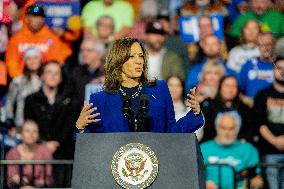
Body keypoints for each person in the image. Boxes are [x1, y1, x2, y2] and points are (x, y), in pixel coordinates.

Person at [75, 37, 204, 134]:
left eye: (141, 56)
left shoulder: (159, 90)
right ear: (118, 61)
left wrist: (195, 114)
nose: (139, 61)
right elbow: (92, 144)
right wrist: (80, 128)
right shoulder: (100, 100)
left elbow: (171, 132)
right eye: (132, 56)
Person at [5, 4, 72, 78]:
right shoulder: (16, 39)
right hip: (22, 80)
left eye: (40, 17)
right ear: (27, 18)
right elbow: (11, 63)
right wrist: (22, 79)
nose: (37, 20)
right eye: (34, 17)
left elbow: (57, 60)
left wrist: (45, 78)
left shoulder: (52, 37)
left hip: (46, 80)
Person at [201, 112, 263, 189]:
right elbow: (194, 176)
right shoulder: (203, 149)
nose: (227, 132)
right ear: (217, 128)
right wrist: (203, 183)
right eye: (223, 128)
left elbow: (257, 179)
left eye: (231, 129)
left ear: (237, 129)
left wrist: (253, 184)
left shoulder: (249, 149)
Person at [253, 56, 284, 189]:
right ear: (273, 70)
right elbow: (259, 123)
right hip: (269, 151)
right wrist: (275, 141)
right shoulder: (262, 95)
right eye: (279, 68)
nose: (282, 71)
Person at [201, 76, 253, 143]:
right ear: (220, 87)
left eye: (234, 86)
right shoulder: (209, 106)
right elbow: (205, 131)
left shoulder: (244, 108)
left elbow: (249, 131)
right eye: (227, 85)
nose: (230, 89)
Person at [6, 120, 53, 188]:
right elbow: (11, 177)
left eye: (35, 131)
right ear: (21, 134)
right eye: (27, 131)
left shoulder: (45, 152)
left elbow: (48, 178)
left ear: (38, 135)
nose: (31, 134)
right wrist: (20, 181)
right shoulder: (12, 153)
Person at [6, 47, 42, 127]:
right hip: (21, 124)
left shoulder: (46, 81)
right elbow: (9, 103)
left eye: (36, 58)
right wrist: (10, 123)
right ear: (25, 62)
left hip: (41, 125)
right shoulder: (17, 81)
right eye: (29, 58)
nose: (33, 61)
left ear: (40, 60)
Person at [238, 32, 275, 107]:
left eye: (268, 44)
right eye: (262, 45)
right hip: (251, 110)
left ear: (274, 45)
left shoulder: (280, 65)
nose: (265, 48)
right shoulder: (248, 65)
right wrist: (247, 101)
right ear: (258, 46)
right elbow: (238, 90)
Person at [167, 75, 203, 141]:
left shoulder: (191, 107)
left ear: (182, 88)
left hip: (185, 147)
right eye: (170, 85)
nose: (173, 89)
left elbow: (198, 134)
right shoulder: (158, 107)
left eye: (177, 85)